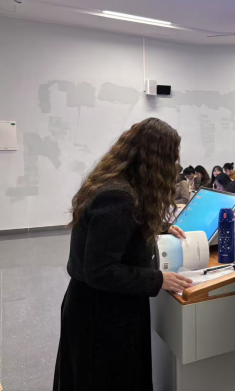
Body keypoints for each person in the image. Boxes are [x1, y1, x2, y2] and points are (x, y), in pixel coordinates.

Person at [54, 118, 193, 390]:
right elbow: (100, 270)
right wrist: (157, 279)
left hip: (95, 305)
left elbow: (117, 231)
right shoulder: (118, 197)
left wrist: (161, 226)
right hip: (103, 315)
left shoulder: (115, 185)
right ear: (156, 159)